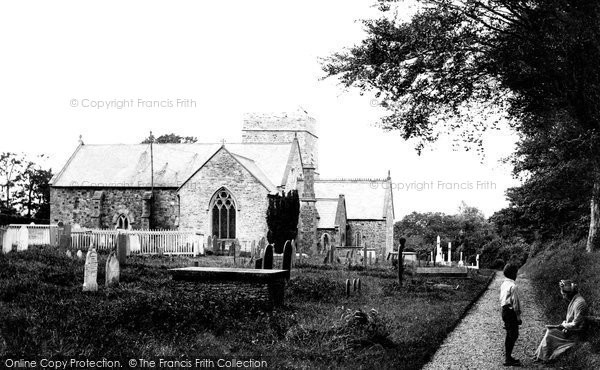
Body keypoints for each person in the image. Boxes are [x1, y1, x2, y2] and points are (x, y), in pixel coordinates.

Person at [534, 279, 588, 362]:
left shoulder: (579, 303)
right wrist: (564, 324)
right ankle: (539, 355)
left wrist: (562, 326)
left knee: (550, 333)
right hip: (570, 330)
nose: (563, 297)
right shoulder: (575, 300)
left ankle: (543, 357)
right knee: (550, 330)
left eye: (564, 294)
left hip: (575, 334)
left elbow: (577, 324)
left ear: (568, 294)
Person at [500, 263, 522, 366]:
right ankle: (508, 358)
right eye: (516, 273)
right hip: (511, 312)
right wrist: (518, 317)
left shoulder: (504, 284)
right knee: (513, 334)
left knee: (510, 333)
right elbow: (516, 304)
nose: (517, 275)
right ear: (513, 274)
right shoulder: (513, 286)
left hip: (504, 310)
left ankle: (508, 356)